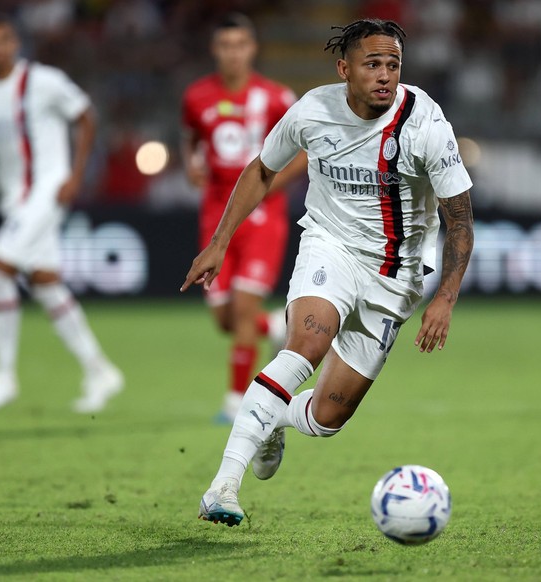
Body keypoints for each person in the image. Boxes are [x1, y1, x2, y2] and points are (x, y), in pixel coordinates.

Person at [181, 18, 474, 526]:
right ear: (345, 69)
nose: (385, 75)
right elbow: (263, 169)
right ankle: (223, 487)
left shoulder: (426, 123)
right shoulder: (312, 111)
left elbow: (460, 220)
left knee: (328, 416)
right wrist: (219, 242)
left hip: (396, 278)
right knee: (305, 347)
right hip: (329, 247)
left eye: (393, 64)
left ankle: (274, 420)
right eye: (372, 64)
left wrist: (445, 296)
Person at [0, 13, 123, 413]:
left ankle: (4, 376)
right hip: (13, 198)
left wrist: (76, 174)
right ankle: (99, 369)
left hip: (48, 188)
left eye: (4, 39)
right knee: (45, 282)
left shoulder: (44, 81)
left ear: (16, 43)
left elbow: (86, 117)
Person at [181, 12, 307, 423]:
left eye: (240, 45)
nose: (233, 53)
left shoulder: (275, 98)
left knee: (242, 305)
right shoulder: (196, 96)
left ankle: (237, 401)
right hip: (215, 213)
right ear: (215, 50)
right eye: (225, 45)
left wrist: (268, 184)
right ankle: (274, 328)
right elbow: (191, 139)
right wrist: (191, 164)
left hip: (263, 216)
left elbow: (304, 151)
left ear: (252, 48)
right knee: (226, 318)